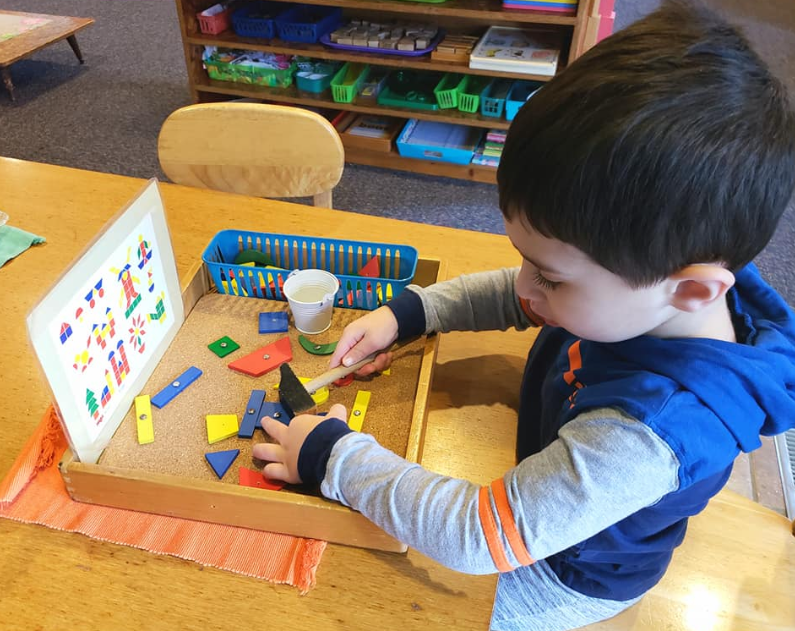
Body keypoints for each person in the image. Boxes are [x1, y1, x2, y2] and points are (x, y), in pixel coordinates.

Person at [253, 1, 795, 629]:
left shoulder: (643, 437)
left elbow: (476, 535)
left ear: (694, 291)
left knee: (371, 601)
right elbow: (520, 297)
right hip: (543, 477)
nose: (524, 287)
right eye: (524, 258)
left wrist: (333, 458)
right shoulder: (652, 283)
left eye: (550, 275)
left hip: (569, 574)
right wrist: (411, 312)